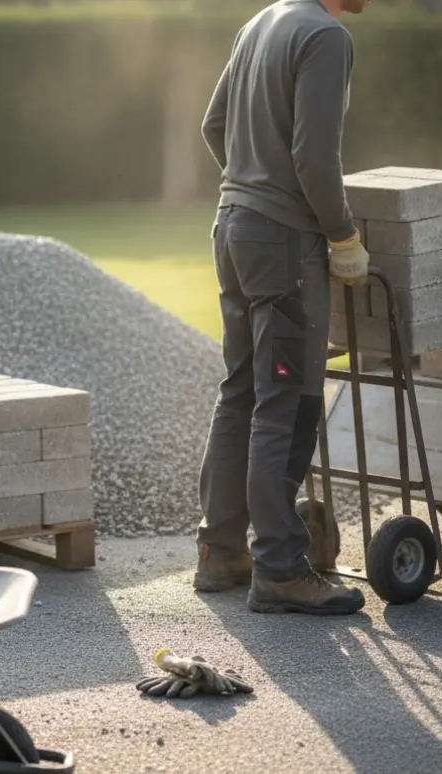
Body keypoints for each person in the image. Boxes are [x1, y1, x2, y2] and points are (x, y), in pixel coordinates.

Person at [193, 0, 371, 615]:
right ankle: (278, 569)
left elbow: (213, 125)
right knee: (287, 400)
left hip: (232, 226)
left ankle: (220, 555)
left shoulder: (261, 22)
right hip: (284, 243)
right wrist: (343, 237)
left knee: (240, 389)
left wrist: (252, 186)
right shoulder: (325, 35)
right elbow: (315, 158)